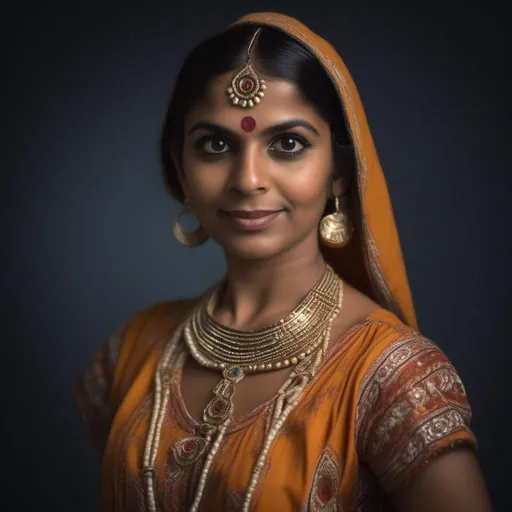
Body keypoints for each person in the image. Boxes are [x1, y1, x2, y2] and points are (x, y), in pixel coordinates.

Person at [74, 12, 493, 512]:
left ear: (339, 170)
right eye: (216, 145)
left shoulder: (394, 377)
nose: (248, 179)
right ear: (180, 169)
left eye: (288, 144)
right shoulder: (134, 351)